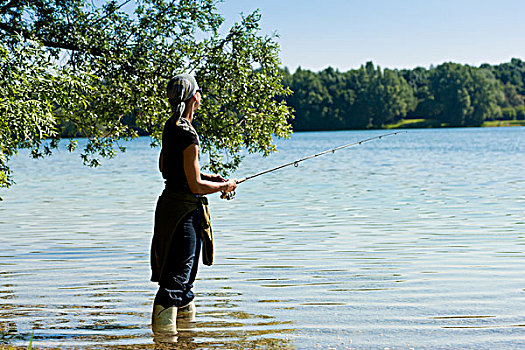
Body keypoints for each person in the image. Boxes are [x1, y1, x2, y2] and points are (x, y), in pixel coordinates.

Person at [150, 74, 237, 335]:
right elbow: (196, 187)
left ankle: (185, 338)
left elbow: (165, 167)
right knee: (176, 281)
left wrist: (209, 177)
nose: (201, 97)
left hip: (169, 207)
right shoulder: (188, 133)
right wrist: (224, 186)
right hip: (184, 213)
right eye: (199, 92)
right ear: (194, 97)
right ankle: (165, 340)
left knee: (185, 281)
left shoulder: (170, 126)